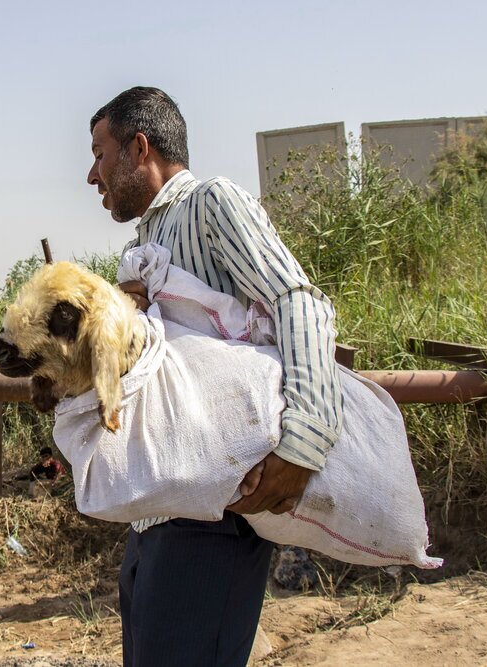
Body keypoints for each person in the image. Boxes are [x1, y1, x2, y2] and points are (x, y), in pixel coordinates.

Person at [87, 86, 342, 666]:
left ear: (139, 148)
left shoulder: (210, 203)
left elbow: (298, 301)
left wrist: (305, 440)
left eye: (100, 154)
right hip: (160, 509)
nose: (91, 175)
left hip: (212, 520)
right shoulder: (146, 241)